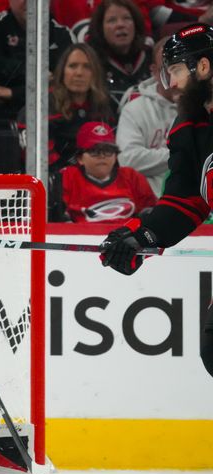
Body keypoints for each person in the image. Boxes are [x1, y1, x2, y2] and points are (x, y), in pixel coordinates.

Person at [100, 23, 213, 378]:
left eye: (177, 69)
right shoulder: (189, 127)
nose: (171, 83)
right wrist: (143, 236)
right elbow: (186, 200)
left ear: (204, 68)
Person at [0, 0, 75, 129]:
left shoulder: (62, 34)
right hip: (2, 120)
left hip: (53, 120)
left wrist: (13, 93)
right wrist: (37, 73)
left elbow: (65, 87)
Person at [19, 43, 115, 174]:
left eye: (87, 67)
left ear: (95, 73)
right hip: (54, 183)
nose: (79, 73)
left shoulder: (103, 107)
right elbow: (39, 160)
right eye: (72, 66)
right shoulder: (40, 106)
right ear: (62, 71)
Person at [50, 121, 157, 221]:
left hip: (125, 238)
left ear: (116, 156)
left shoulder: (132, 177)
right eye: (94, 151)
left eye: (108, 151)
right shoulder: (67, 178)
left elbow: (152, 215)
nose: (102, 156)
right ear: (80, 158)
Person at [117, 36, 179, 196]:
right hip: (150, 203)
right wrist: (181, 155)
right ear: (153, 71)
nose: (173, 76)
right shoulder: (134, 109)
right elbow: (127, 161)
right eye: (166, 68)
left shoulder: (204, 107)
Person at [88, 0, 153, 110]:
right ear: (100, 28)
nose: (120, 25)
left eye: (126, 18)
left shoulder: (151, 58)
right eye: (112, 20)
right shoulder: (91, 63)